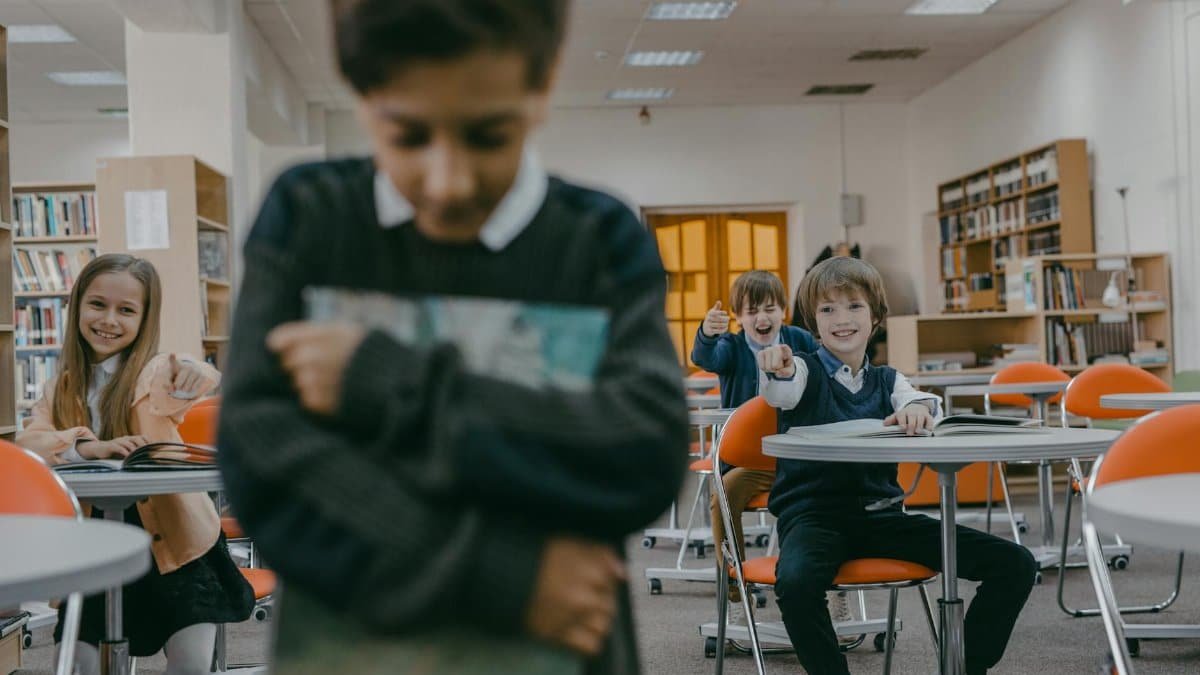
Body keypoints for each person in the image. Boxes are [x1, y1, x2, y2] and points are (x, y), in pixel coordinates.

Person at [215, 1, 689, 673]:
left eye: (490, 136)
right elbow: (264, 461)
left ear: (542, 84)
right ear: (362, 94)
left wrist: (387, 381)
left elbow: (641, 452)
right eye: (408, 136)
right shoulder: (310, 218)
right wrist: (507, 575)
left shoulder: (599, 240)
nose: (449, 183)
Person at [756, 256, 1037, 675]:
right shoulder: (802, 370)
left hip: (883, 518)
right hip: (813, 519)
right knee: (795, 584)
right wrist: (776, 365)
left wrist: (919, 408)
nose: (842, 319)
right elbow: (782, 388)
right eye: (828, 309)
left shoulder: (889, 380)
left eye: (854, 306)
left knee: (1015, 564)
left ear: (876, 317)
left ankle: (964, 667)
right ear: (813, 322)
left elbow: (920, 400)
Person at [18, 254, 252, 675]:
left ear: (145, 319)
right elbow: (29, 442)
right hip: (95, 547)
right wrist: (86, 446)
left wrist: (196, 374)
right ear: (76, 308)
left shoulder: (151, 373)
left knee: (191, 664)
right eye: (97, 304)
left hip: (178, 545)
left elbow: (186, 374)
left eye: (126, 310)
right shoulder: (61, 387)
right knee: (76, 664)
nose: (109, 319)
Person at [690, 271, 827, 626]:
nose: (761, 318)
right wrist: (707, 332)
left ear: (783, 310)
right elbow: (704, 357)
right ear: (738, 317)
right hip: (750, 463)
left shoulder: (800, 340)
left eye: (769, 308)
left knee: (830, 498)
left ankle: (831, 590)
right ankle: (736, 594)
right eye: (751, 311)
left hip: (800, 459)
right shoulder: (731, 349)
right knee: (723, 498)